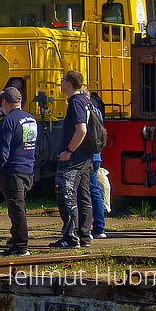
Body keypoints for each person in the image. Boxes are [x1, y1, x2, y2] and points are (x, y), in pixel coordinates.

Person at [0, 87, 38, 257]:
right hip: (27, 168)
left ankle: (21, 246)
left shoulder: (7, 121)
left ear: (5, 102)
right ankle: (15, 239)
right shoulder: (31, 119)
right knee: (18, 206)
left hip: (12, 170)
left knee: (17, 208)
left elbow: (2, 149)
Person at [51, 70, 94, 249]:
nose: (61, 83)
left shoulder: (76, 103)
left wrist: (69, 150)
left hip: (74, 159)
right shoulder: (86, 102)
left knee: (66, 196)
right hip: (85, 158)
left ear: (68, 83)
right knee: (84, 197)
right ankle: (85, 235)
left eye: (62, 80)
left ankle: (70, 237)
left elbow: (81, 130)